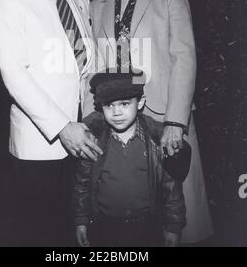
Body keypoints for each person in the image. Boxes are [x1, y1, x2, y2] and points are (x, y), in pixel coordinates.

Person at [90, 0, 213, 243]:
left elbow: (184, 58)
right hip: (119, 126)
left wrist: (176, 121)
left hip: (165, 120)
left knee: (178, 225)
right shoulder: (95, 5)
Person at [0, 0, 102, 246]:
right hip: (40, 149)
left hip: (84, 141)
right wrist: (61, 127)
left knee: (79, 237)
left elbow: (87, 71)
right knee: (41, 237)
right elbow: (14, 73)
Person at [74, 69, 186, 247]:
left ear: (140, 102)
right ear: (101, 107)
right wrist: (81, 220)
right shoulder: (93, 141)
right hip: (105, 228)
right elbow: (82, 183)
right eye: (109, 105)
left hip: (147, 229)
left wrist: (173, 225)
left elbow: (171, 186)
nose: (116, 112)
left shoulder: (156, 142)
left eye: (125, 104)